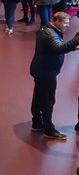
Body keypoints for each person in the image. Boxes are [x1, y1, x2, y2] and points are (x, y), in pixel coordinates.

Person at [29, 11, 79, 140]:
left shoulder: (47, 30)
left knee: (38, 97)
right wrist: (77, 39)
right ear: (57, 21)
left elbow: (56, 48)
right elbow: (59, 48)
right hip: (47, 72)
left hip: (41, 70)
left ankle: (37, 122)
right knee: (48, 100)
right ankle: (49, 129)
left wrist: (73, 47)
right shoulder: (50, 34)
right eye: (66, 23)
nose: (68, 25)